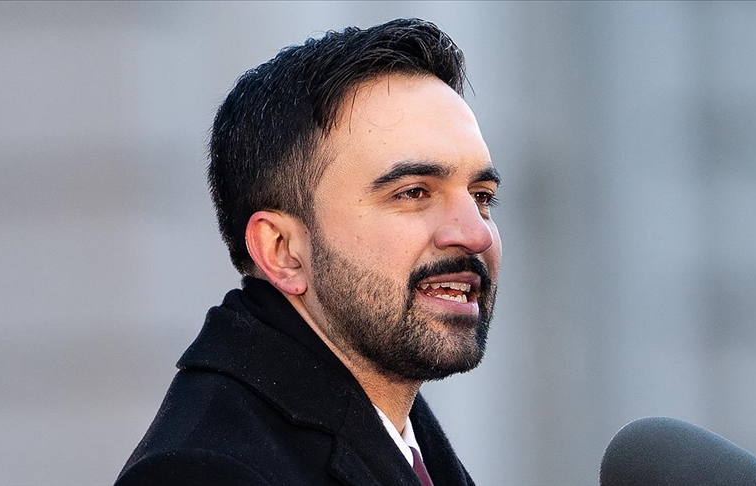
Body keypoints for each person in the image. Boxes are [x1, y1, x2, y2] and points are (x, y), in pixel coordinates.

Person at [116, 17, 501, 486]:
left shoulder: (401, 431)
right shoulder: (204, 473)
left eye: (481, 196)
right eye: (413, 192)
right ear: (282, 250)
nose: (476, 234)